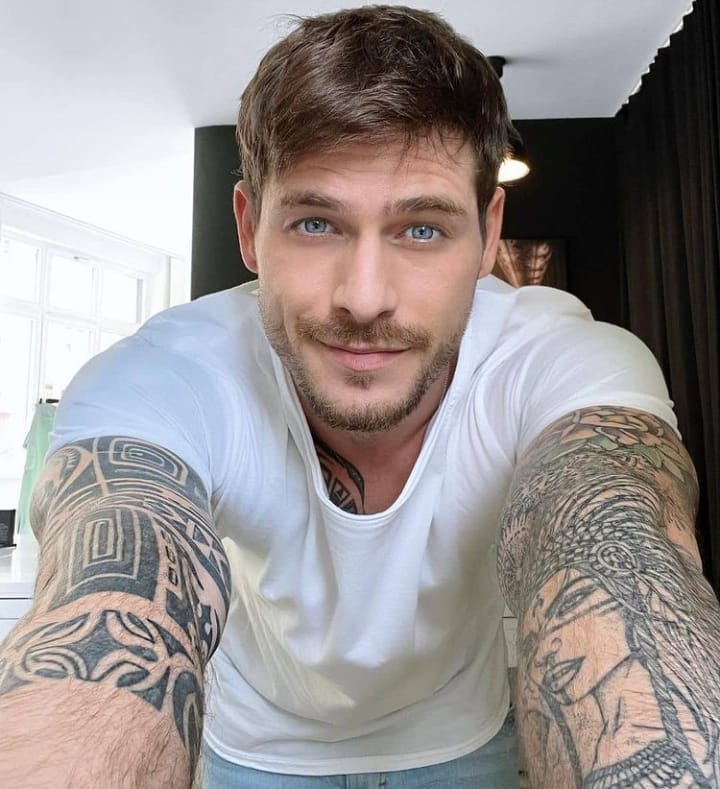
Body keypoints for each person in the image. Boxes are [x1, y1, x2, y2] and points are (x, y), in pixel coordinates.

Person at [0, 5, 718, 787]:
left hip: (461, 741)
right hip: (255, 752)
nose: (366, 297)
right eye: (316, 223)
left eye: (422, 229)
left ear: (488, 232)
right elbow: (106, 594)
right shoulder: (164, 377)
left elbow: (618, 549)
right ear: (249, 227)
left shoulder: (561, 360)